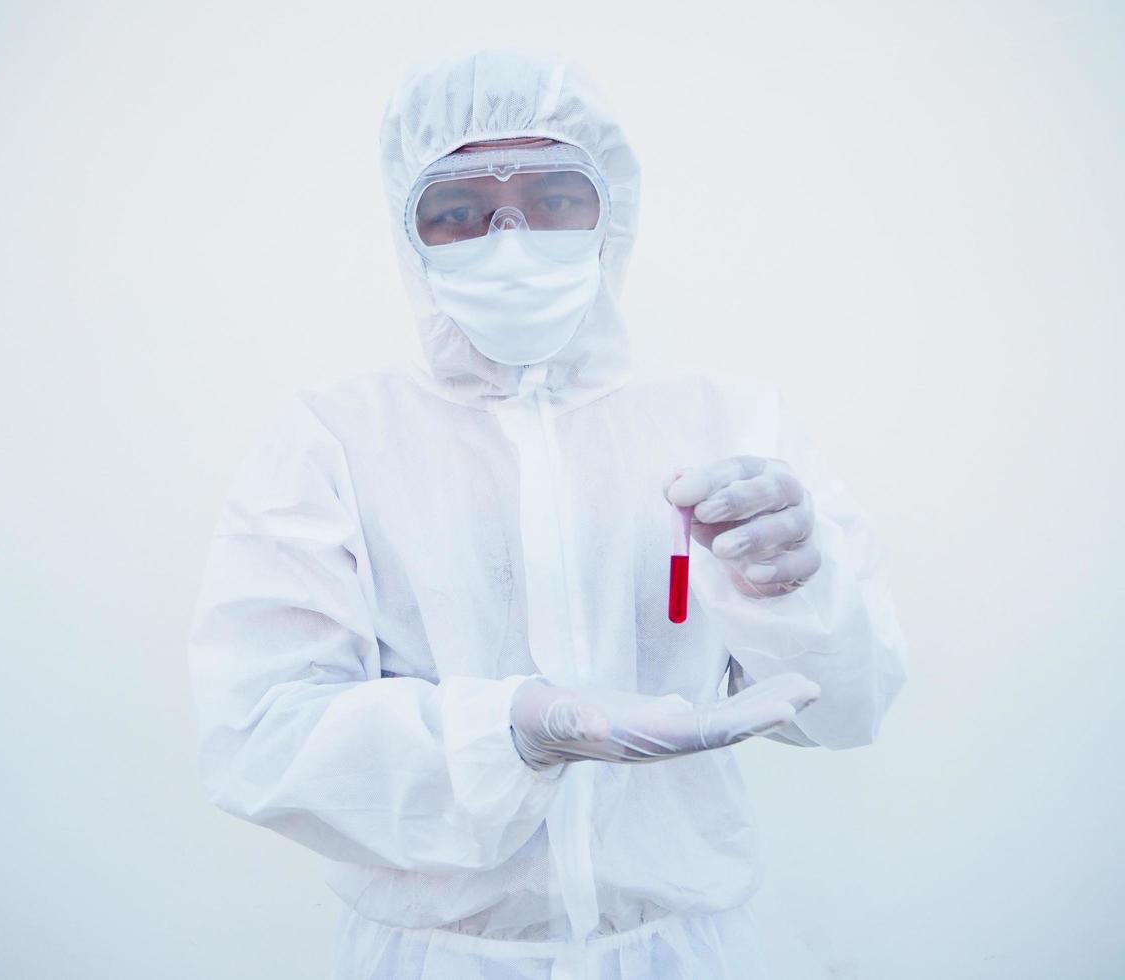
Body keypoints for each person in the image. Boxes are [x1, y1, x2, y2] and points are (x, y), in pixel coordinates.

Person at [187, 47, 908, 980]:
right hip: (434, 958)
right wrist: (513, 731)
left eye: (553, 198)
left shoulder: (730, 422)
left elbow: (848, 710)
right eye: (459, 213)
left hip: (685, 954)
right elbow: (257, 736)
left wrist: (795, 591)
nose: (510, 237)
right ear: (411, 235)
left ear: (611, 211)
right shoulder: (334, 439)